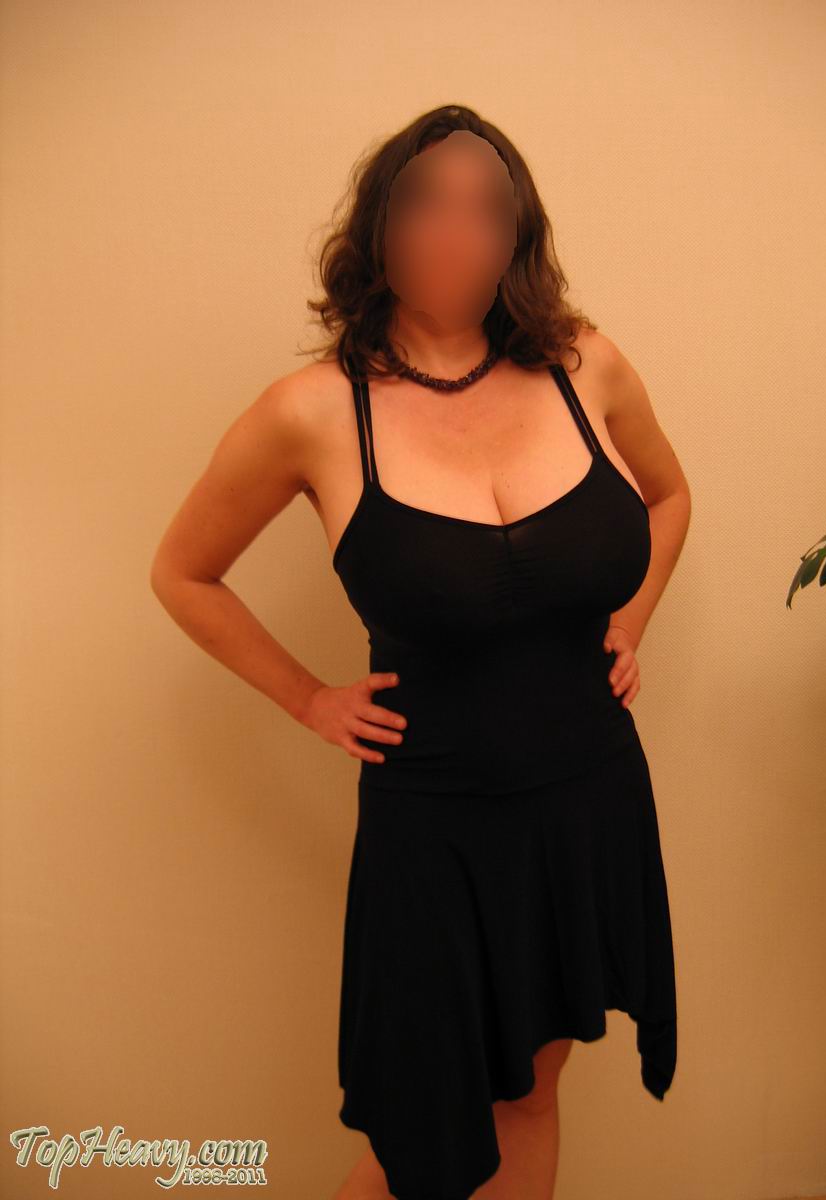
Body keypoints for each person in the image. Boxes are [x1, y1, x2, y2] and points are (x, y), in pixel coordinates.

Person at [150, 105, 691, 1200]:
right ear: (378, 230)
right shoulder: (312, 410)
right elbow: (183, 572)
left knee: (532, 1091)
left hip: (585, 797)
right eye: (427, 204)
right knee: (420, 1127)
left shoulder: (586, 365)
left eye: (488, 210)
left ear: (518, 237)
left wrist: (630, 621)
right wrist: (309, 699)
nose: (458, 232)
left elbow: (670, 496)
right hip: (434, 827)